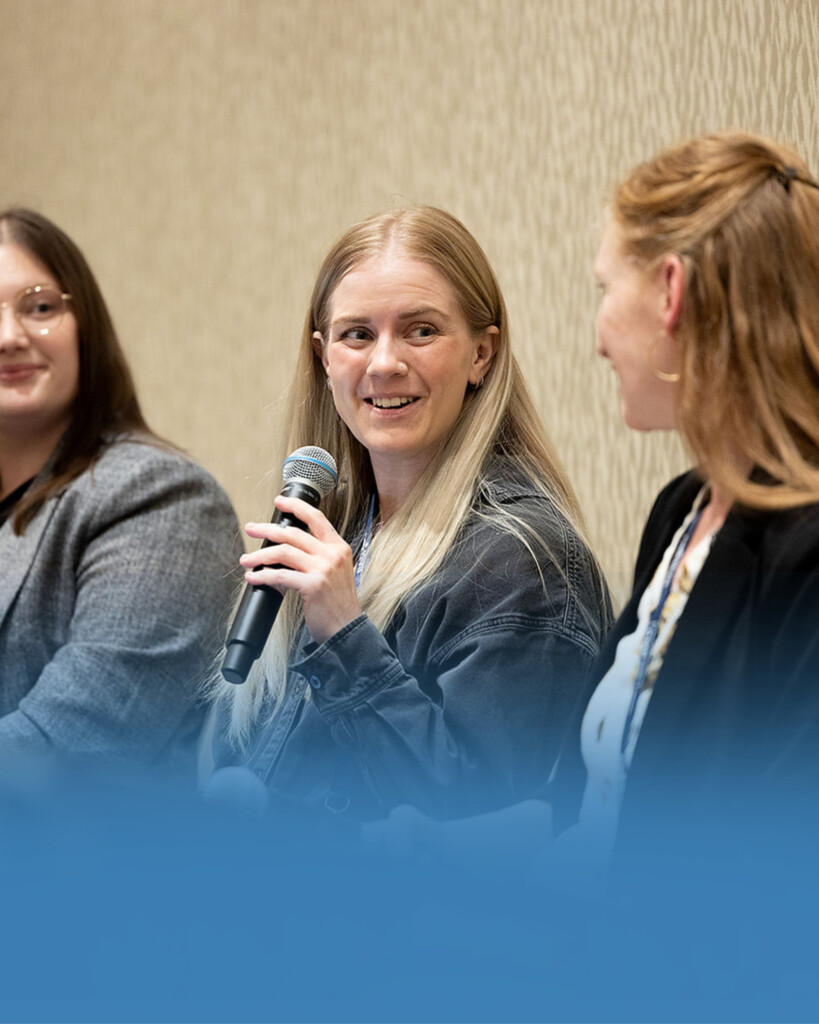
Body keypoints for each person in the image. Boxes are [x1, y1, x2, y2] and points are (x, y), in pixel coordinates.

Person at [365, 132, 819, 884]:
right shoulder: (682, 510)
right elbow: (591, 810)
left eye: (604, 290)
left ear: (669, 292)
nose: (598, 336)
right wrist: (432, 847)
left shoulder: (805, 549)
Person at [208, 205, 612, 822]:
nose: (384, 363)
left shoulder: (523, 561)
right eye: (357, 334)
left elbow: (473, 818)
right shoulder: (331, 528)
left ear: (482, 353)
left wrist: (346, 635)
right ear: (323, 357)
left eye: (421, 330)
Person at [0, 207, 241, 780]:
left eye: (39, 307)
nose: (9, 337)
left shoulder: (163, 499)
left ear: (87, 329)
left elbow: (61, 754)